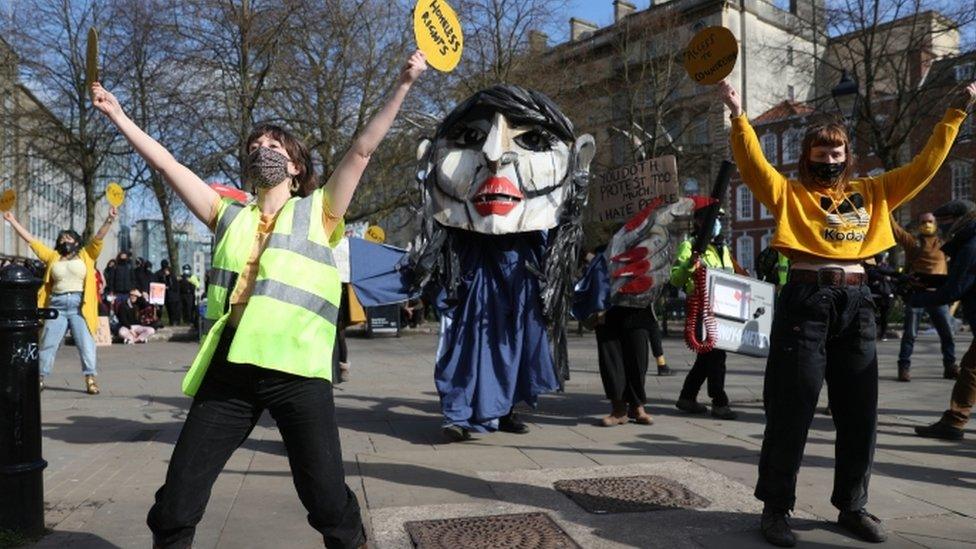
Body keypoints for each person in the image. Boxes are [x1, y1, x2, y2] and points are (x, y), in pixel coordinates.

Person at [92, 49, 426, 548]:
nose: (263, 148)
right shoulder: (228, 213)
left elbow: (360, 151)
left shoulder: (321, 211)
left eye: (275, 144)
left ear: (296, 167)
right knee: (178, 499)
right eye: (256, 144)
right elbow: (168, 164)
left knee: (326, 500)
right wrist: (120, 115)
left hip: (297, 373)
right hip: (232, 367)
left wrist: (402, 84)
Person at [720, 78, 974, 547]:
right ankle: (776, 508)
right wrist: (738, 115)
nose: (830, 159)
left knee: (860, 413)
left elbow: (924, 167)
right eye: (821, 151)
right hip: (805, 302)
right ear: (807, 155)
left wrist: (954, 116)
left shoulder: (874, 192)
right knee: (791, 409)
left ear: (847, 156)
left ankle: (852, 506)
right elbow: (752, 163)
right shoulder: (789, 193)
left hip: (856, 304)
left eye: (838, 152)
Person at [3, 207, 118, 394]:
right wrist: (12, 220)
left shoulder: (86, 255)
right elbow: (32, 241)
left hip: (80, 306)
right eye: (62, 238)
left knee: (86, 344)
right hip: (56, 305)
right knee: (48, 342)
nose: (65, 241)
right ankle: (39, 377)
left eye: (69, 238)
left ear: (76, 242)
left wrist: (109, 219)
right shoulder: (53, 257)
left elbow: (98, 237)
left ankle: (90, 378)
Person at [912, 200, 976, 440]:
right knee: (971, 370)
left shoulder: (971, 245)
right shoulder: (969, 241)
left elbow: (955, 290)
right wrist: (927, 282)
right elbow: (963, 282)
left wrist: (916, 300)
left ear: (960, 219)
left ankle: (954, 422)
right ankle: (954, 421)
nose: (942, 227)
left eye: (945, 221)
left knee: (970, 370)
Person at [671, 205, 743, 421]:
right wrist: (689, 266)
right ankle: (719, 401)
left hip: (723, 310)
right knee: (716, 356)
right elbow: (676, 279)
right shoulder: (690, 245)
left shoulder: (722, 248)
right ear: (700, 222)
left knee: (706, 357)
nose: (717, 223)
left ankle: (687, 397)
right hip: (702, 310)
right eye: (713, 218)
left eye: (719, 218)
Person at [892, 214, 957, 381]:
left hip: (938, 295)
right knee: (910, 334)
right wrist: (886, 207)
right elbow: (897, 230)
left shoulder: (945, 244)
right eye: (923, 222)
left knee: (947, 333)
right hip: (917, 295)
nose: (927, 224)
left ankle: (950, 366)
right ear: (918, 225)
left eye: (930, 221)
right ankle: (903, 368)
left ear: (936, 224)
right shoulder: (913, 243)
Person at [865, 251, 896, 340]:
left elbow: (893, 277)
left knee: (884, 316)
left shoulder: (886, 267)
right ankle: (877, 333)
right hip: (876, 294)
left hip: (884, 295)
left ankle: (882, 333)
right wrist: (884, 277)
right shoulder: (872, 268)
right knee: (873, 315)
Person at [155, 259, 183, 326]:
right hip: (162, 294)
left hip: (170, 295)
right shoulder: (160, 273)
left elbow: (175, 284)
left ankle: (173, 321)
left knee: (172, 309)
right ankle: (161, 321)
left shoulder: (171, 274)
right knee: (163, 309)